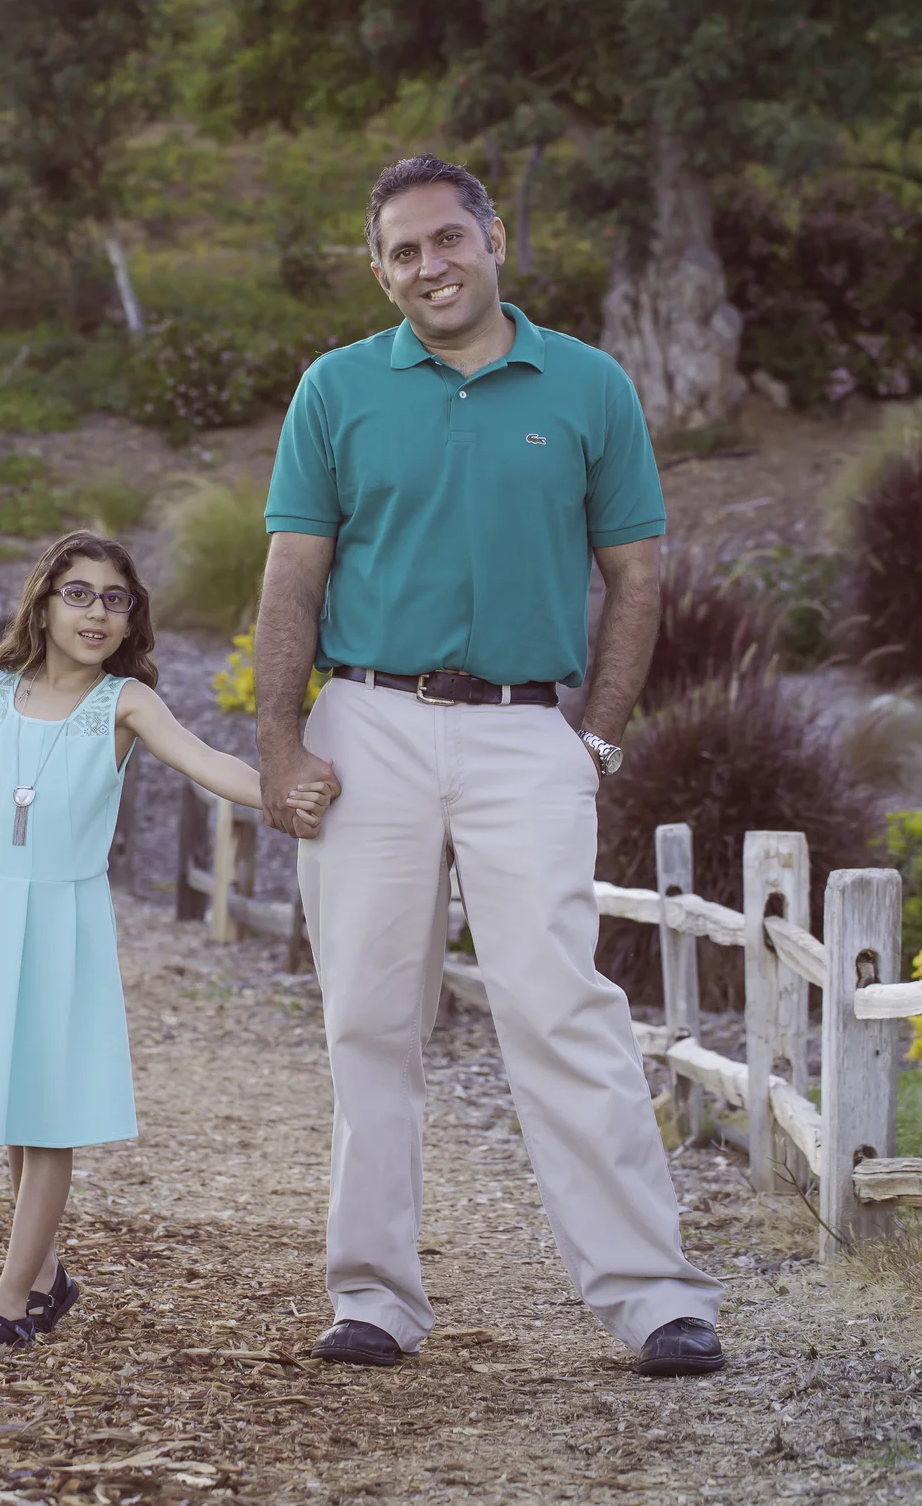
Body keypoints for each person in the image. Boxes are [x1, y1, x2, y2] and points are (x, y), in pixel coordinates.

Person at [252, 156, 727, 1377]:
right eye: (403, 251)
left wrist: (596, 736)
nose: (430, 266)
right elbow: (293, 574)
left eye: (447, 239)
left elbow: (635, 575)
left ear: (494, 237)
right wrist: (281, 740)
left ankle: (654, 1296)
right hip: (368, 721)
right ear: (379, 272)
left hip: (526, 730)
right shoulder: (336, 388)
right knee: (368, 1016)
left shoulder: (587, 384)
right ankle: (373, 1295)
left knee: (561, 1006)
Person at [0, 532, 335, 1348]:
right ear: (45, 602)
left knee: (48, 1116)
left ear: (132, 618)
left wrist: (287, 791)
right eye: (81, 593)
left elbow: (208, 762)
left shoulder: (124, 704)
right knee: (11, 1109)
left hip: (64, 921)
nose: (98, 613)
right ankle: (48, 1275)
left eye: (116, 599)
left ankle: (8, 1303)